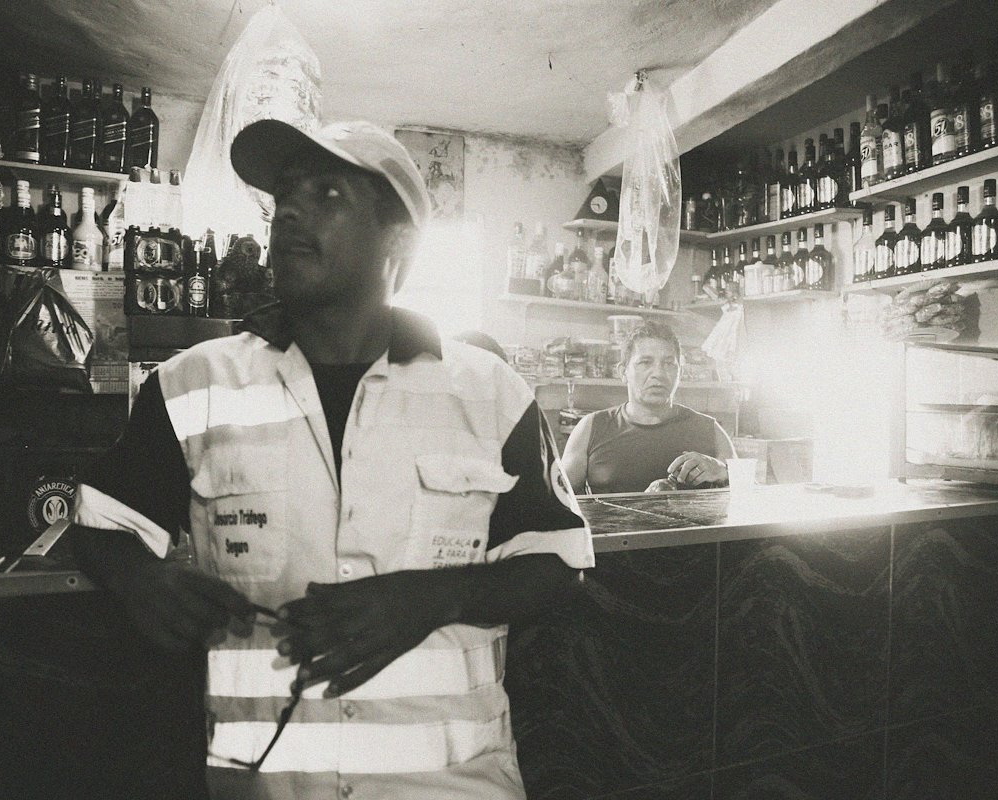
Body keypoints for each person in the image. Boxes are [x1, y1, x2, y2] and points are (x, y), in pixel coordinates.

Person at [69, 118, 594, 799]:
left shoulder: (490, 393)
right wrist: (140, 579)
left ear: (398, 240)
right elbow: (99, 522)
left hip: (451, 784)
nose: (290, 211)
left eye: (329, 194)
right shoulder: (193, 384)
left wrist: (433, 597)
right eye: (284, 195)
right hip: (266, 785)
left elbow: (558, 562)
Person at [560, 320, 735, 494]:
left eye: (668, 364)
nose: (658, 373)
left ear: (680, 373)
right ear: (623, 372)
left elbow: (745, 493)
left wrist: (722, 471)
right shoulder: (591, 428)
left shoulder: (710, 430)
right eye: (645, 362)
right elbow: (559, 498)